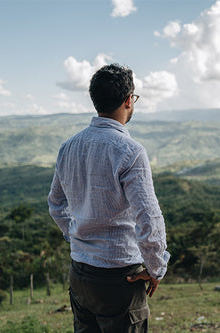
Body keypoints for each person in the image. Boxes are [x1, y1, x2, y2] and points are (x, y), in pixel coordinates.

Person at [48, 63, 170, 332]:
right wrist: (155, 266)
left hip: (80, 273)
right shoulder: (131, 152)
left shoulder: (68, 147)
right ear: (128, 100)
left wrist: (79, 235)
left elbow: (56, 204)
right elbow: (148, 218)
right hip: (120, 278)